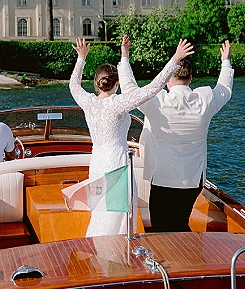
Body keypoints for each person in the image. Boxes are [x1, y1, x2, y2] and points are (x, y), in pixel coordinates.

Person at [70, 35, 194, 235]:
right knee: (118, 214)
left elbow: (73, 85)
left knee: (101, 212)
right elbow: (153, 88)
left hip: (97, 163)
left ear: (96, 83)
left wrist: (81, 59)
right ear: (117, 84)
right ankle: (115, 253)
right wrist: (174, 60)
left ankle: (101, 249)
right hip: (117, 165)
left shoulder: (88, 102)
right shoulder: (117, 104)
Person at [119, 39, 233, 232]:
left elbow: (129, 90)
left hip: (163, 179)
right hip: (192, 180)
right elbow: (225, 89)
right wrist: (225, 61)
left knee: (161, 228)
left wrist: (125, 57)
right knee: (181, 224)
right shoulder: (205, 100)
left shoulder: (157, 102)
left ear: (167, 79)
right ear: (190, 78)